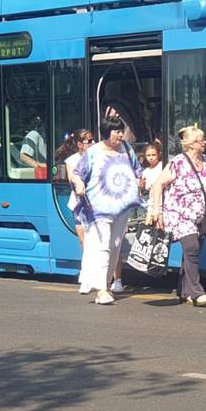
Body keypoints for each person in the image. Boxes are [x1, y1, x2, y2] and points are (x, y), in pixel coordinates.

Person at [147, 126, 206, 307]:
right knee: (191, 247)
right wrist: (156, 211)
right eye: (201, 140)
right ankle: (197, 292)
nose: (205, 143)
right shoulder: (178, 163)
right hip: (178, 213)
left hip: (199, 214)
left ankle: (184, 290)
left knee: (194, 250)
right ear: (191, 145)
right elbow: (159, 184)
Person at [70, 115, 142, 304]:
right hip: (98, 209)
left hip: (122, 208)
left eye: (121, 131)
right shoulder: (93, 152)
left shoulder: (127, 149)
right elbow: (77, 174)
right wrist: (79, 185)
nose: (120, 135)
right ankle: (101, 289)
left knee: (114, 247)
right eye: (116, 132)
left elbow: (137, 170)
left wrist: (141, 181)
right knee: (101, 247)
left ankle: (105, 284)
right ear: (106, 133)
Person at [56, 129, 94, 249]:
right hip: (81, 205)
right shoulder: (72, 160)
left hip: (98, 203)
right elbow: (72, 181)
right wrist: (79, 182)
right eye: (90, 141)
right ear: (80, 144)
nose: (94, 143)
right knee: (85, 244)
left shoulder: (98, 157)